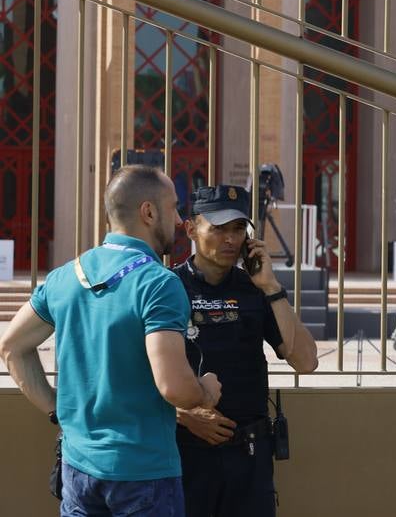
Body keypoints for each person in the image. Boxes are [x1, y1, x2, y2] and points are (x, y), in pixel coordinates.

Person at [0, 165, 222, 517]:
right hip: (143, 474)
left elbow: (11, 347)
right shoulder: (158, 283)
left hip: (78, 470)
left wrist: (56, 411)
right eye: (174, 207)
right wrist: (205, 391)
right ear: (148, 212)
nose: (181, 220)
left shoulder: (64, 277)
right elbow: (175, 388)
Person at [175, 184, 320, 517]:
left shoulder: (256, 290)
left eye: (238, 229)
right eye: (219, 229)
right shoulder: (168, 287)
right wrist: (184, 415)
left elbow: (306, 361)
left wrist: (271, 287)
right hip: (186, 451)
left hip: (249, 456)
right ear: (192, 229)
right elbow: (140, 374)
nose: (230, 239)